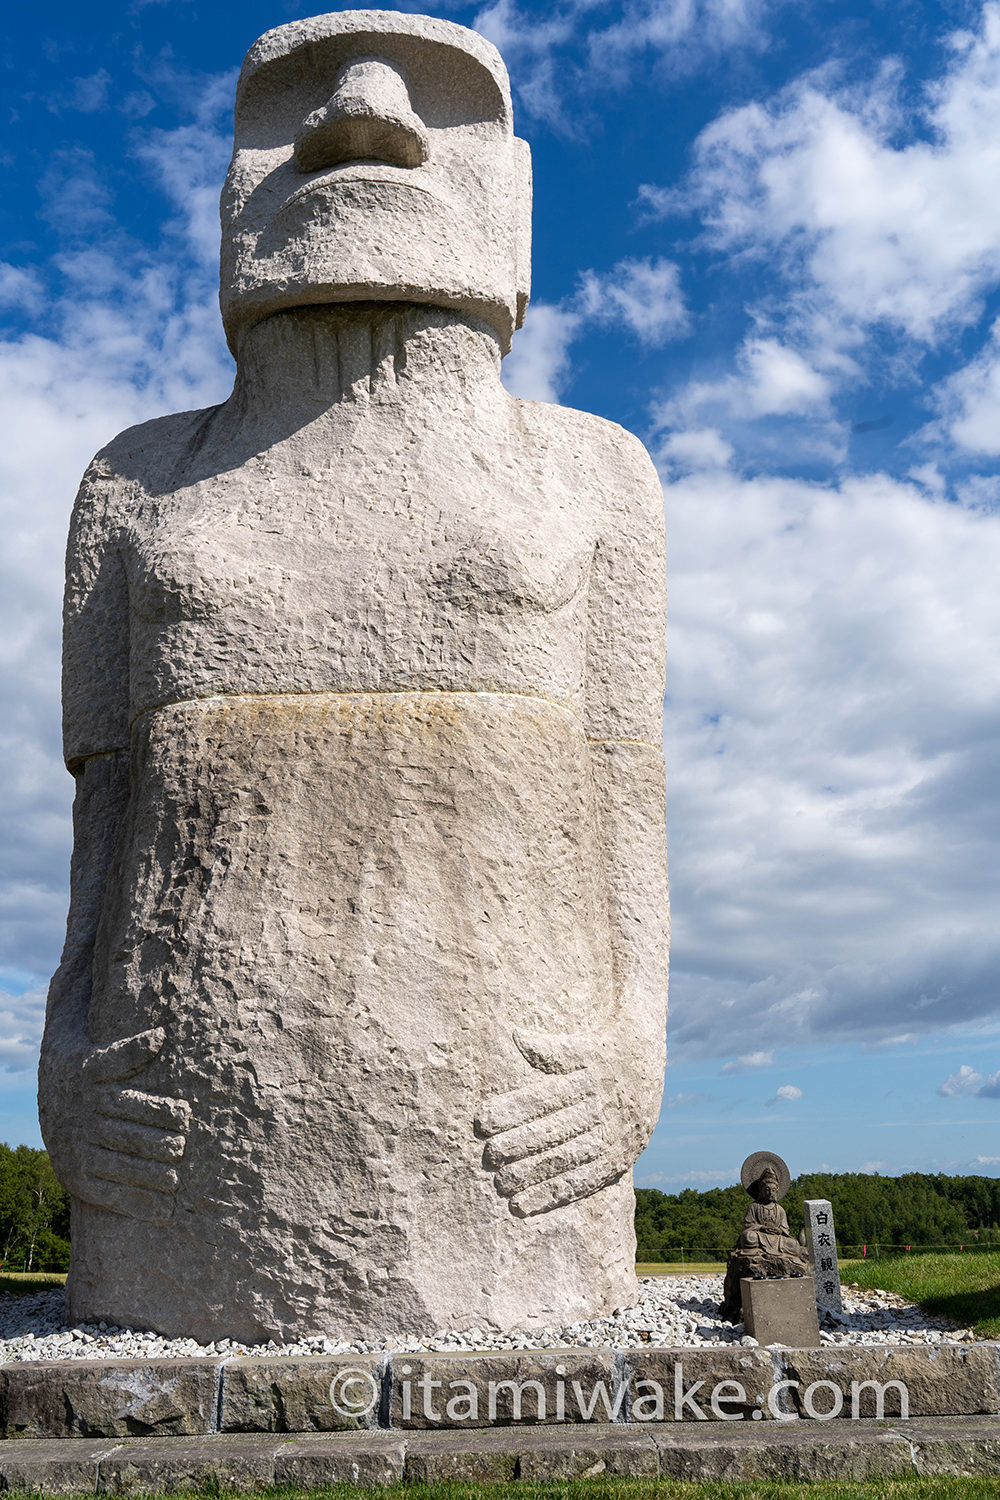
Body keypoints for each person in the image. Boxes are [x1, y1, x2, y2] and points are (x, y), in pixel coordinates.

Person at [39, 10, 669, 1342]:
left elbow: (625, 792)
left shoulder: (590, 470)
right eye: (285, 108)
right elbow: (104, 805)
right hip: (178, 1165)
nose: (362, 113)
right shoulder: (137, 478)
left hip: (514, 1148)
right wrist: (62, 1072)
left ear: (517, 195)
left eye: (448, 102)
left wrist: (632, 1060)